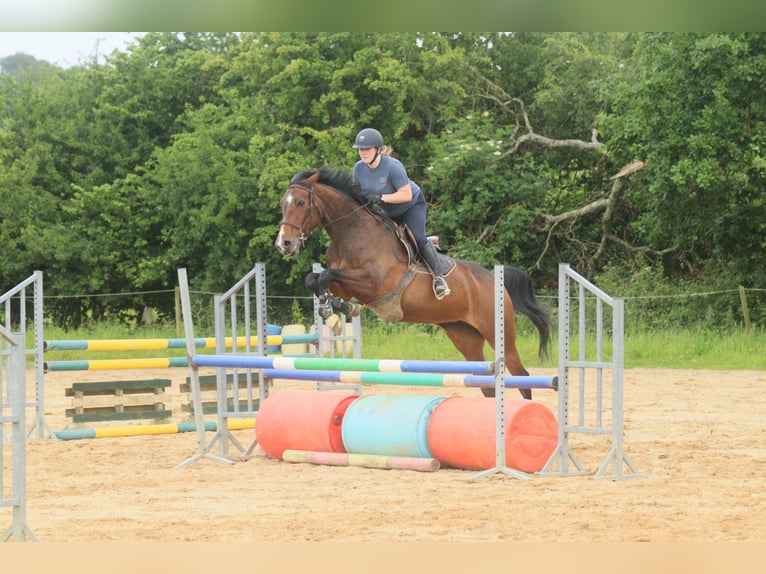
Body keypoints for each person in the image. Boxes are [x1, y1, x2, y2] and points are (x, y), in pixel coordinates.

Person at [352, 127, 451, 300]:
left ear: (378, 149)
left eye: (367, 149)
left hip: (412, 205)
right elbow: (356, 195)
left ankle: (439, 278)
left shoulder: (393, 166)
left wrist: (381, 197)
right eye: (361, 149)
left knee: (418, 238)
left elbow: (406, 194)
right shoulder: (358, 169)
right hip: (388, 211)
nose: (363, 152)